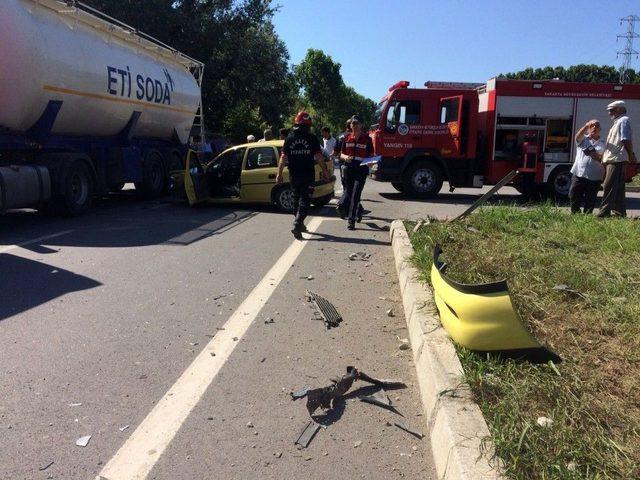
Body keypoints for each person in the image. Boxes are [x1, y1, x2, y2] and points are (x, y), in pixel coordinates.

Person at [276, 111, 329, 239]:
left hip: (294, 174)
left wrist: (279, 173)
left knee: (296, 200)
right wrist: (325, 171)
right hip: (307, 174)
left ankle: (300, 225)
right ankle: (297, 223)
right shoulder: (311, 138)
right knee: (305, 200)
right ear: (308, 124)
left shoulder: (289, 138)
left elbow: (283, 157)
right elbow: (319, 156)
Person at [598, 100, 637, 217]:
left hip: (617, 160)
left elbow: (625, 139)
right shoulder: (619, 121)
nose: (609, 113)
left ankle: (603, 213)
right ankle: (620, 213)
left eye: (611, 110)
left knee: (608, 186)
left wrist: (631, 155)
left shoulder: (623, 121)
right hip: (616, 159)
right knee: (618, 188)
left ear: (620, 109)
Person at [340, 114, 373, 230]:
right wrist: (345, 158)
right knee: (349, 195)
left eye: (356, 123)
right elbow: (341, 153)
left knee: (355, 195)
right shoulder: (346, 138)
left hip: (361, 170)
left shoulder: (367, 139)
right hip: (349, 169)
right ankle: (359, 211)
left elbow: (371, 156)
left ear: (361, 125)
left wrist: (371, 163)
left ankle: (351, 220)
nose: (353, 125)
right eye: (352, 123)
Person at [569, 120, 605, 214]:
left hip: (595, 176)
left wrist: (597, 157)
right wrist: (586, 125)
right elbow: (577, 136)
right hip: (579, 173)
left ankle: (587, 217)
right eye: (591, 126)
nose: (594, 127)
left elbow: (606, 158)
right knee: (574, 195)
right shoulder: (583, 139)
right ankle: (575, 215)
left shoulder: (604, 143)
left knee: (590, 199)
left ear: (600, 129)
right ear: (588, 129)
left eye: (596, 126)